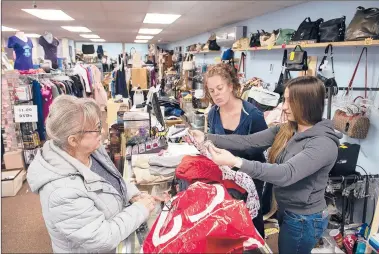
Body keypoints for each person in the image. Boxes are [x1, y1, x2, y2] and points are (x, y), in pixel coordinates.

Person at [190, 76, 342, 254]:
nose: (284, 106)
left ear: (307, 104)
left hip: (304, 218)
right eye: (285, 100)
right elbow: (247, 141)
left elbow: (286, 173)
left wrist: (235, 162)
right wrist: (207, 137)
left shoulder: (323, 143)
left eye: (290, 101)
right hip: (288, 211)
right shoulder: (287, 129)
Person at [27, 95, 156, 253]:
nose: (101, 132)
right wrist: (140, 209)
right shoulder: (61, 192)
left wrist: (132, 194)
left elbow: (112, 180)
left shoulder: (91, 151)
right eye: (95, 129)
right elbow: (102, 239)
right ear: (73, 140)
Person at [204, 63, 268, 237]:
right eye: (212, 91)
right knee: (229, 222)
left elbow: (261, 145)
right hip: (226, 175)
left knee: (251, 221)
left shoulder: (253, 115)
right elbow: (214, 141)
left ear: (231, 86)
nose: (216, 94)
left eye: (219, 88)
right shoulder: (213, 114)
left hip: (251, 176)